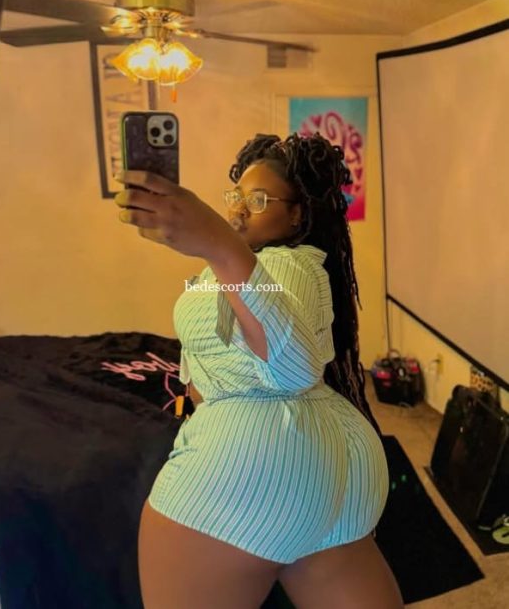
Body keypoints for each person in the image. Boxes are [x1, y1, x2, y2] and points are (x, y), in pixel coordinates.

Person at [114, 132, 404, 609]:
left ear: (297, 216)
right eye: (237, 197)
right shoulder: (257, 271)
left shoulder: (283, 265)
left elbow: (292, 367)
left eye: (260, 200)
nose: (240, 211)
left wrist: (220, 246)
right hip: (334, 478)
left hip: (255, 472)